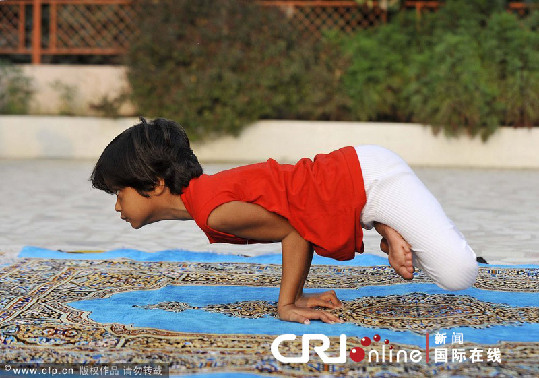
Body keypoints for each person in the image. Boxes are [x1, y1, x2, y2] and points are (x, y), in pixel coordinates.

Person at [91, 117, 478, 325]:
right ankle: (384, 224)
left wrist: (286, 304)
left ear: (155, 184)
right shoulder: (204, 201)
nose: (117, 207)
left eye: (118, 193)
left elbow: (294, 231)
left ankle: (383, 220)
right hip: (353, 185)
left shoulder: (212, 209)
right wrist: (297, 295)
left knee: (459, 275)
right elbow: (297, 216)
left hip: (373, 179)